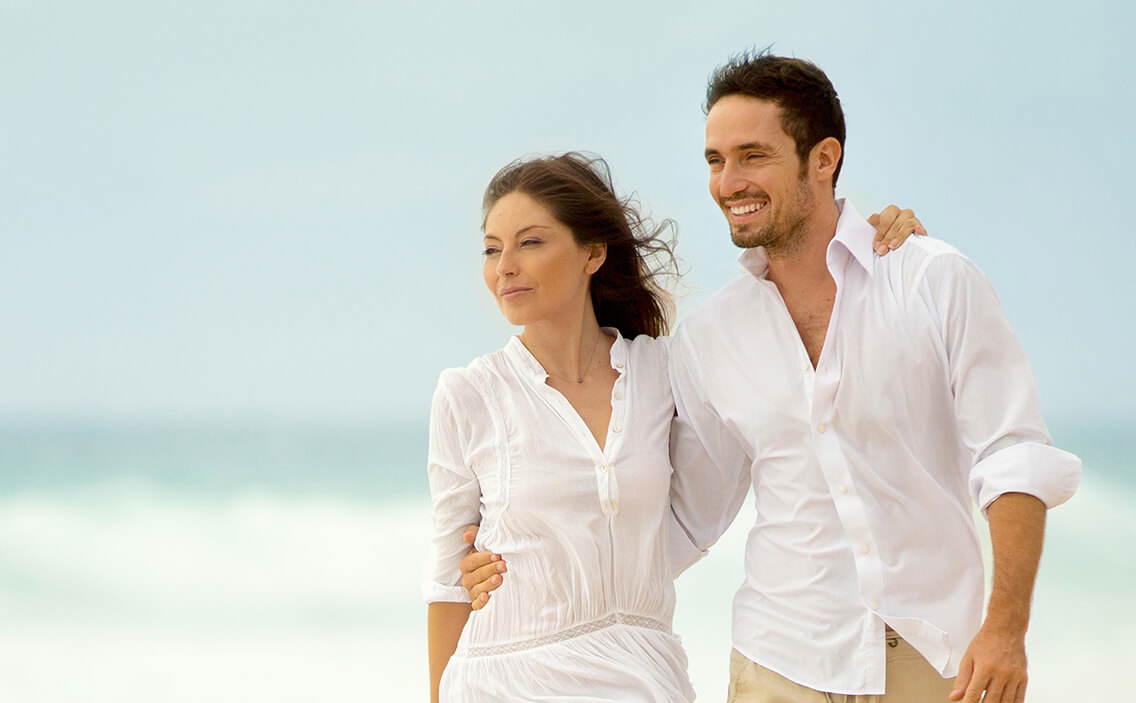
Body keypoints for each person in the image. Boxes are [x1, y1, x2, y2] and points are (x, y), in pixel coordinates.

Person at [458, 53, 1081, 703]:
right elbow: (684, 518)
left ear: (823, 159)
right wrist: (518, 565)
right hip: (776, 666)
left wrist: (1005, 630)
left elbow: (1013, 458)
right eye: (714, 160)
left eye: (753, 155)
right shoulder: (713, 335)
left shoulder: (933, 281)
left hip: (936, 662)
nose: (729, 181)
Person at [425, 151, 924, 702]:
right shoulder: (468, 394)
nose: (505, 266)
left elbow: (786, 382)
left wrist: (861, 245)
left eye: (531, 242)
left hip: (643, 677)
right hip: (504, 680)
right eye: (492, 249)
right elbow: (448, 580)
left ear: (593, 253)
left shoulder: (665, 371)